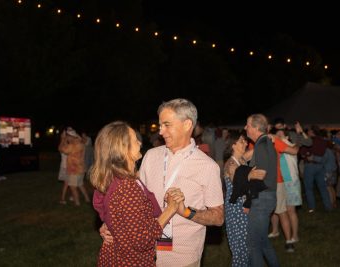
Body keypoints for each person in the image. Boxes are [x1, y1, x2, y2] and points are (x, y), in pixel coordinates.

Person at [100, 98, 224, 267]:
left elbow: (218, 217)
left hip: (181, 256)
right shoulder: (151, 155)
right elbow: (130, 197)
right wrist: (110, 222)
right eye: (160, 125)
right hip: (143, 254)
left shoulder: (207, 166)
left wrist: (186, 212)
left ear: (187, 125)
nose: (161, 131)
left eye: (167, 125)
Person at [91, 121, 183, 266]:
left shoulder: (112, 177)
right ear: (123, 149)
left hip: (115, 255)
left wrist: (108, 223)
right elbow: (142, 240)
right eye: (135, 140)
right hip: (130, 260)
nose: (140, 142)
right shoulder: (127, 188)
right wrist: (170, 209)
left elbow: (107, 207)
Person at [223, 130, 265, 267]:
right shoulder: (231, 165)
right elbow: (240, 185)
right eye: (242, 141)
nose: (245, 143)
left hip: (245, 208)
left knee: (249, 247)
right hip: (237, 211)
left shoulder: (241, 159)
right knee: (240, 250)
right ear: (233, 145)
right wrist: (253, 176)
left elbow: (254, 152)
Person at [245, 114, 280, 267]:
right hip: (266, 197)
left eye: (247, 125)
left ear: (255, 127)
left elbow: (261, 173)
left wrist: (242, 177)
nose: (245, 128)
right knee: (263, 242)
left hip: (262, 199)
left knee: (253, 245)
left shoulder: (262, 145)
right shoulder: (263, 143)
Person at [58, 128, 90, 206]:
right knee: (80, 184)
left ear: (70, 137)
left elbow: (61, 149)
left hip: (74, 169)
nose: (66, 138)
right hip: (81, 168)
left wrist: (62, 139)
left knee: (72, 187)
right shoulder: (80, 143)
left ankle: (77, 202)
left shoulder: (72, 146)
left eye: (67, 137)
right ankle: (87, 198)